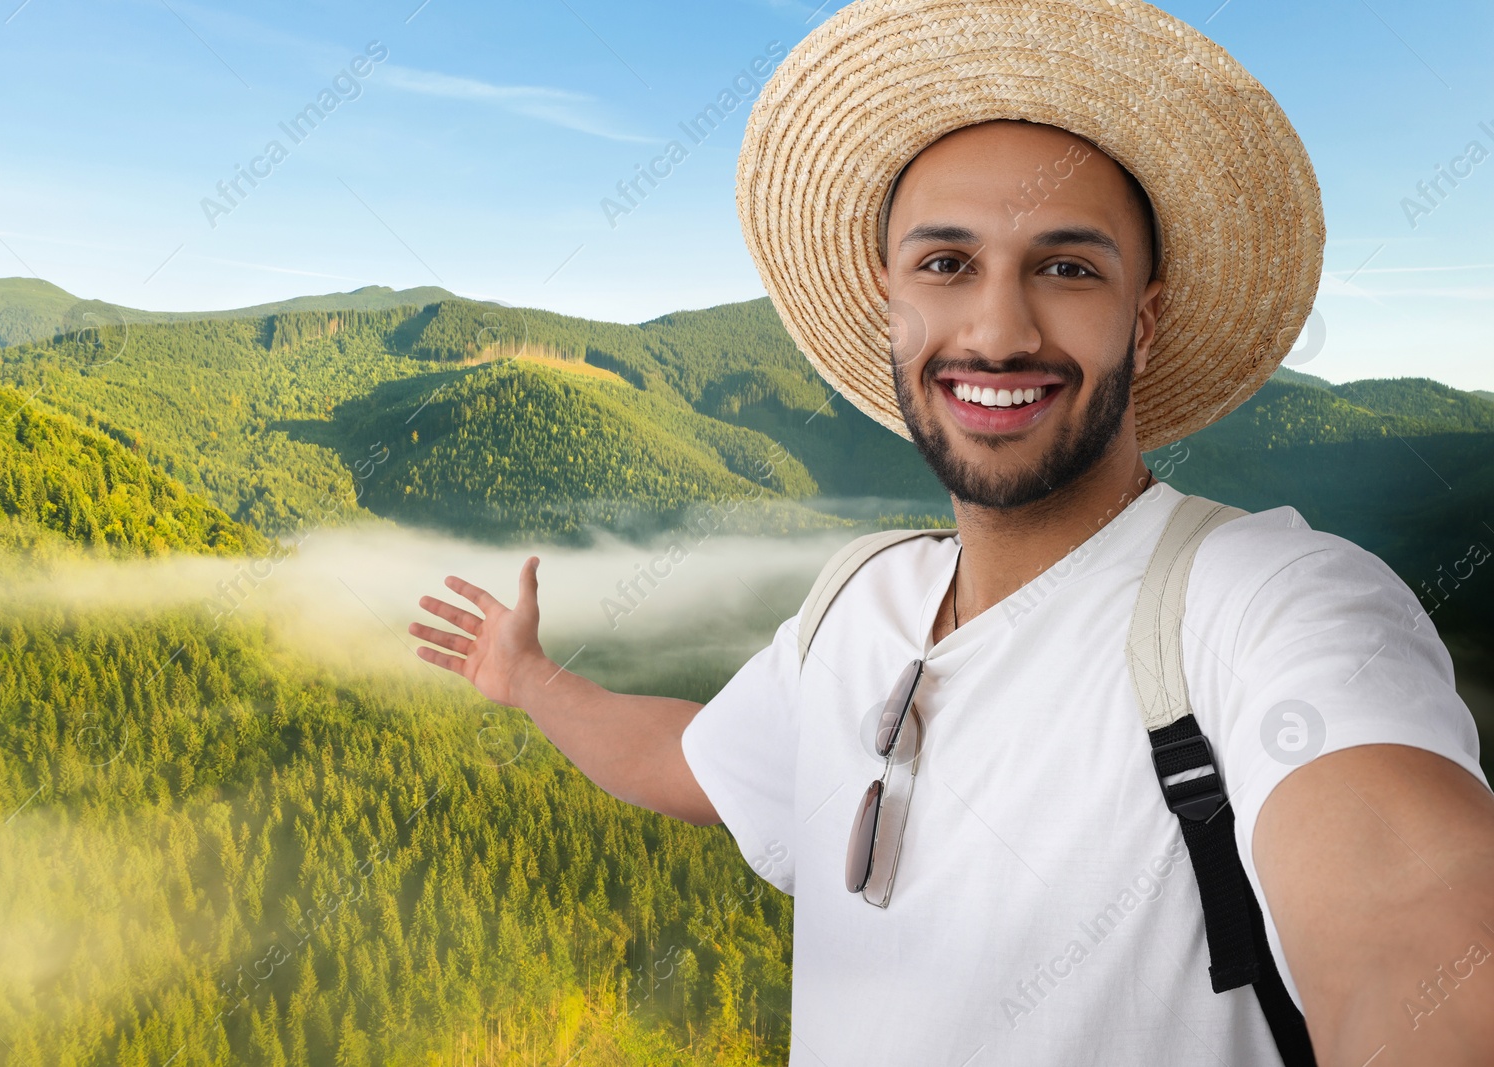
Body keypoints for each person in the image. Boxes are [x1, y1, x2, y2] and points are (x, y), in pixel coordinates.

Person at [410, 0, 1494, 1062]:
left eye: (1067, 267)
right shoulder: (855, 599)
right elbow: (691, 760)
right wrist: (526, 678)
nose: (997, 329)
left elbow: (1410, 931)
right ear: (890, 304)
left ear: (1144, 319)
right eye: (945, 264)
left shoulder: (1268, 602)